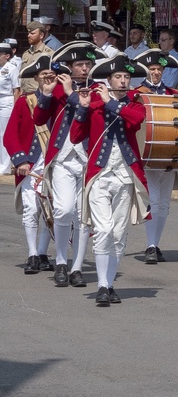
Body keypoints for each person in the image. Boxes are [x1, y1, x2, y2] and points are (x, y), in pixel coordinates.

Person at [71, 55, 150, 306]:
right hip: (99, 175)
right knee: (103, 230)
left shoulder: (135, 104)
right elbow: (75, 136)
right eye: (118, 77)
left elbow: (135, 120)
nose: (123, 81)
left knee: (118, 234)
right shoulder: (93, 103)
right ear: (108, 79)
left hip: (126, 175)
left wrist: (108, 102)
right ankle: (103, 285)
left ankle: (109, 283)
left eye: (126, 77)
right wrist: (83, 108)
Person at [34, 42, 105, 286]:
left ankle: (76, 267)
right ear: (70, 67)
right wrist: (44, 93)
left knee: (83, 215)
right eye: (80, 65)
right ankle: (61, 260)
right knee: (64, 210)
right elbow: (39, 119)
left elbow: (93, 110)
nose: (85, 69)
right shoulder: (56, 89)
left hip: (88, 159)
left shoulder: (98, 90)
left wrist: (69, 94)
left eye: (88, 64)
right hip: (63, 159)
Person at [3, 57, 59, 274]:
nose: (47, 77)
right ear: (36, 78)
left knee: (51, 211)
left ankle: (44, 253)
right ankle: (33, 254)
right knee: (32, 209)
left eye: (50, 73)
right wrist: (21, 160)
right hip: (31, 164)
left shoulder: (61, 101)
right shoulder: (24, 101)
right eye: (42, 74)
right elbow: (10, 136)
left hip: (55, 163)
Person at [133, 49, 178, 263]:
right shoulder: (138, 93)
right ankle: (150, 245)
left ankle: (156, 242)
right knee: (153, 200)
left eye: (159, 69)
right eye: (152, 69)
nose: (156, 73)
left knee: (164, 203)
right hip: (149, 154)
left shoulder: (172, 94)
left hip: (169, 155)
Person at [20, 21, 56, 94]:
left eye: (32, 33)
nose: (29, 35)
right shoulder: (26, 54)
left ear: (41, 35)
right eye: (28, 33)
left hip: (39, 94)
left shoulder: (49, 53)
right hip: (24, 94)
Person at [0, 42, 19, 174]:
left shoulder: (12, 68)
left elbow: (16, 90)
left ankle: (5, 166)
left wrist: (15, 108)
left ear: (7, 56)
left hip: (6, 100)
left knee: (3, 133)